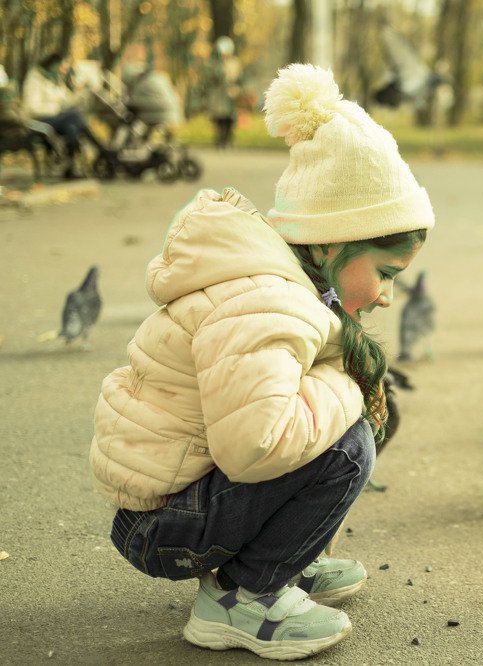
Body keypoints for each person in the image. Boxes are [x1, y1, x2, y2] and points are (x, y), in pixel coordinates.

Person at [91, 63, 435, 660]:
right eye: (383, 273)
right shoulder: (268, 303)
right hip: (165, 527)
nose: (385, 295)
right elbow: (257, 447)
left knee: (333, 425)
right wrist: (346, 384)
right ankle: (241, 598)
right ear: (330, 244)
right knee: (348, 445)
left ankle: (278, 561)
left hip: (174, 502)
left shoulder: (282, 285)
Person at [21, 52, 102, 179]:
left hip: (59, 119)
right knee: (75, 116)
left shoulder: (56, 79)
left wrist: (80, 92)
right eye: (64, 64)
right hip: (38, 121)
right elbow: (32, 108)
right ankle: (103, 152)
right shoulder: (35, 79)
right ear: (54, 64)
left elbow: (66, 101)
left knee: (72, 127)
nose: (65, 68)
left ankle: (70, 168)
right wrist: (57, 109)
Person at [203, 36, 243, 149]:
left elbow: (240, 79)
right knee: (219, 119)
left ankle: (228, 141)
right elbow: (213, 78)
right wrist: (222, 68)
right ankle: (220, 141)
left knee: (230, 120)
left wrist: (237, 88)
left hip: (231, 96)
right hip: (218, 96)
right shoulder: (215, 63)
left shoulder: (235, 62)